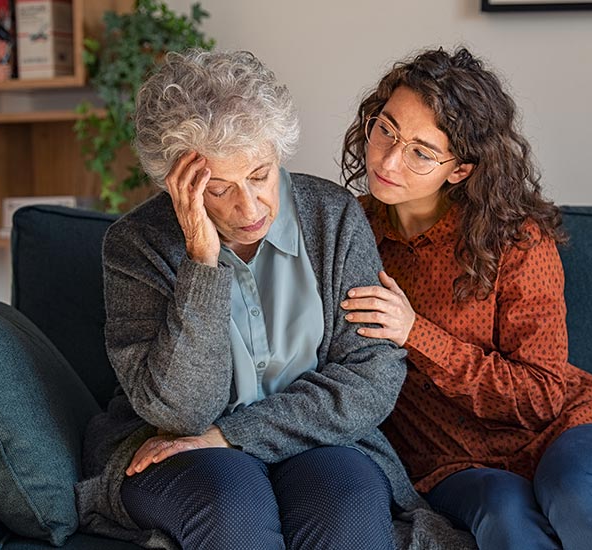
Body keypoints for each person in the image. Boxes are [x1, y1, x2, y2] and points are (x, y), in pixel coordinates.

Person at [73, 49, 427, 550]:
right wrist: (201, 262)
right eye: (218, 189)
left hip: (319, 437)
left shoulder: (334, 218)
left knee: (346, 512)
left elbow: (371, 378)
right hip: (177, 450)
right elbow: (180, 415)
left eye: (260, 175)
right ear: (177, 183)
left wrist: (235, 435)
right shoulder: (137, 246)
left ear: (278, 151)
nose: (249, 206)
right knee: (231, 509)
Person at [340, 47, 592, 550]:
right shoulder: (347, 232)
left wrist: (414, 333)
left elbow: (543, 396)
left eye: (421, 151)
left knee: (573, 493)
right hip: (452, 464)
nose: (388, 158)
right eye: (386, 129)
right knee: (504, 513)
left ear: (460, 169)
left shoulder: (516, 241)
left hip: (573, 433)